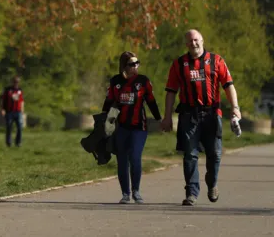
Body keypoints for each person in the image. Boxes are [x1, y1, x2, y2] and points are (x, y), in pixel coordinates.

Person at [160, 29, 241, 206]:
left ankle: (212, 183)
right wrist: (167, 117)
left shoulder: (216, 61)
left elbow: (228, 85)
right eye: (189, 42)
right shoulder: (179, 64)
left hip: (212, 114)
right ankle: (192, 192)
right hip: (189, 115)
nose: (193, 44)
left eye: (196, 40)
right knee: (190, 154)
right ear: (186, 45)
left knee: (216, 154)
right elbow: (171, 92)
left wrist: (235, 108)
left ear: (202, 40)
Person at [102, 51, 161, 204]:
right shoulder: (116, 81)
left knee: (135, 157)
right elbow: (109, 101)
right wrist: (103, 119)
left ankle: (136, 191)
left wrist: (160, 119)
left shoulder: (143, 81)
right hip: (121, 127)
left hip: (138, 127)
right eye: (131, 64)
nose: (135, 66)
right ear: (124, 66)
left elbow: (151, 101)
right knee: (122, 160)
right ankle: (125, 194)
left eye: (137, 63)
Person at [0, 76, 25, 147]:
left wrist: (22, 109)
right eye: (15, 81)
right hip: (9, 112)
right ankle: (8, 142)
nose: (16, 83)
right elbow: (1, 100)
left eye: (18, 82)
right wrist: (2, 109)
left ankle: (18, 142)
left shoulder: (20, 90)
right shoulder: (7, 90)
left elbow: (22, 101)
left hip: (18, 112)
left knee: (19, 127)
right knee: (9, 127)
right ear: (12, 82)